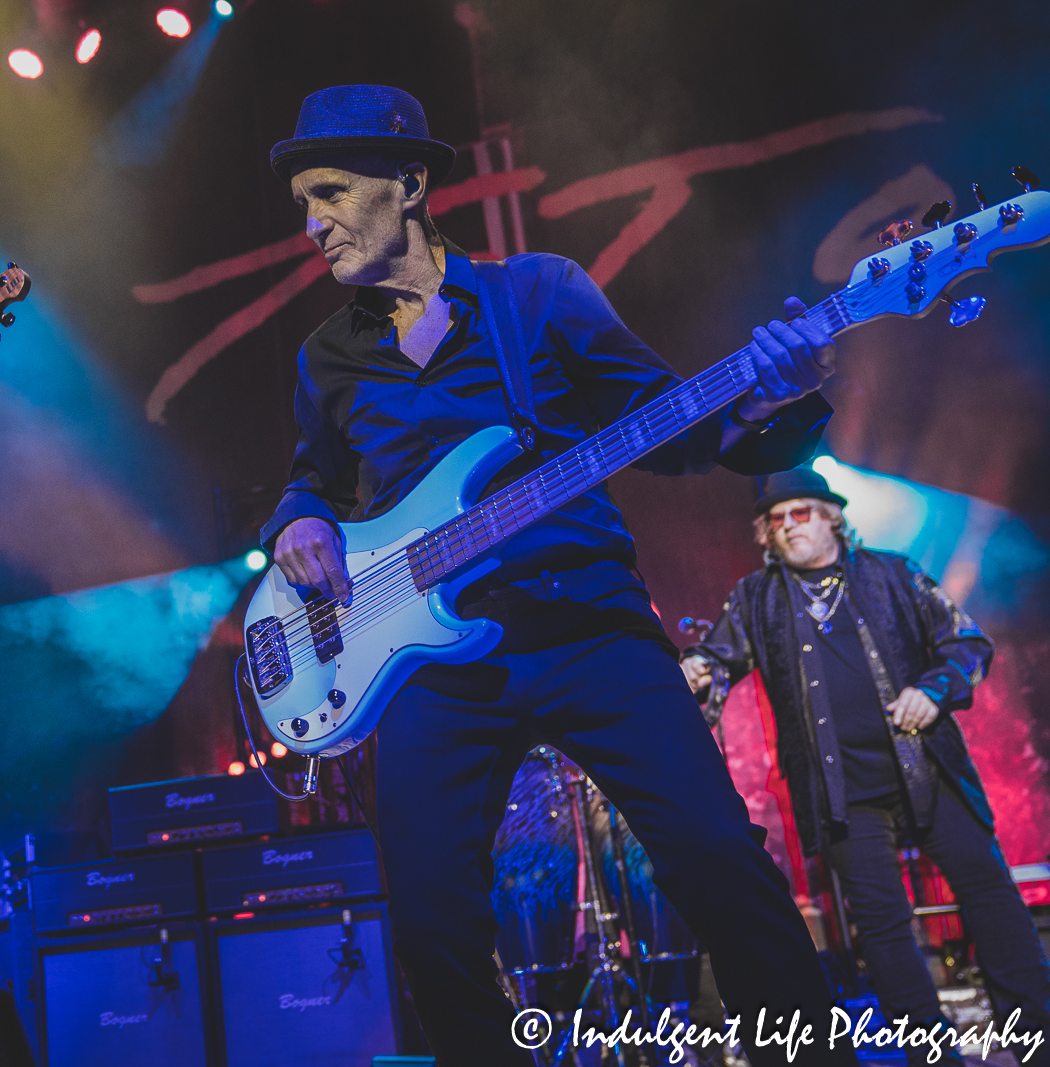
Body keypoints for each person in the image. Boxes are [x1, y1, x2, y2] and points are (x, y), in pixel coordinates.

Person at [259, 85, 857, 1066]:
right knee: (431, 924)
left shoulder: (538, 292)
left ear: (409, 182)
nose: (312, 221)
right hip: (429, 665)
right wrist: (300, 518)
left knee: (715, 855)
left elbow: (682, 428)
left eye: (328, 192)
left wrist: (777, 394)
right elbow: (308, 477)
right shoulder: (325, 356)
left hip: (588, 624)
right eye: (302, 202)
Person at [683, 466, 1050, 1063]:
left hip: (926, 764)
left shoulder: (892, 573)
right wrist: (699, 668)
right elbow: (717, 658)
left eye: (798, 513)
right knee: (881, 925)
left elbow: (968, 645)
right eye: (774, 520)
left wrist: (933, 690)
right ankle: (932, 1052)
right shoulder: (756, 597)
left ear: (831, 517)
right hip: (841, 789)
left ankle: (1032, 1030)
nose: (785, 527)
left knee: (989, 892)